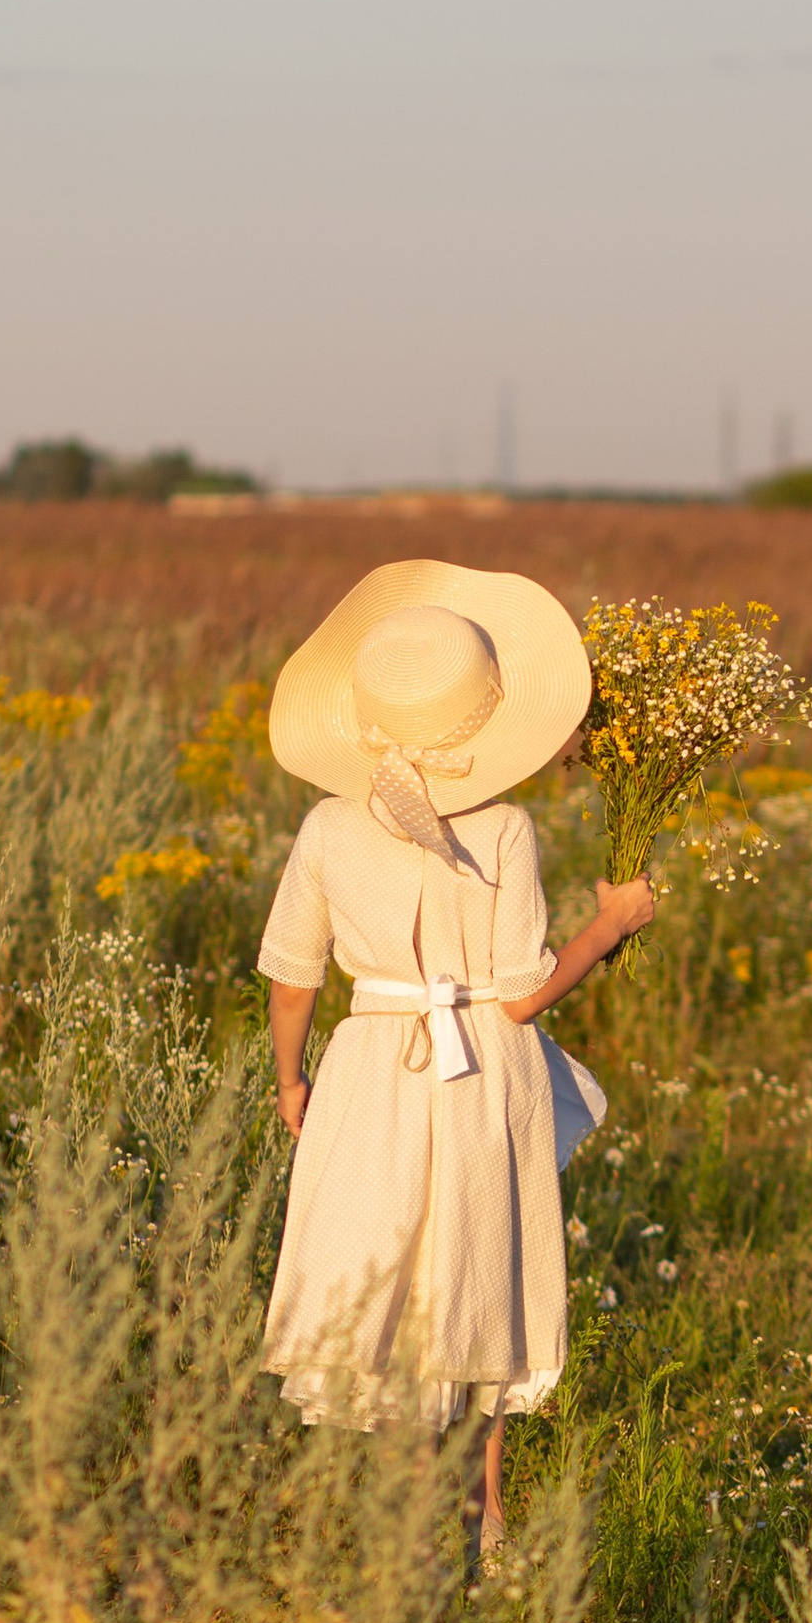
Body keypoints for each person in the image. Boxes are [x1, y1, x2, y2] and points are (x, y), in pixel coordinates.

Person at [255, 560, 656, 1551]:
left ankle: (394, 1527)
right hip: (479, 1066)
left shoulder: (324, 825)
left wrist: (291, 1078)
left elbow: (292, 972)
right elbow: (522, 991)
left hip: (369, 1066)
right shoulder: (506, 826)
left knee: (382, 1276)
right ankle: (483, 1524)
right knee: (479, 1275)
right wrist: (610, 926)